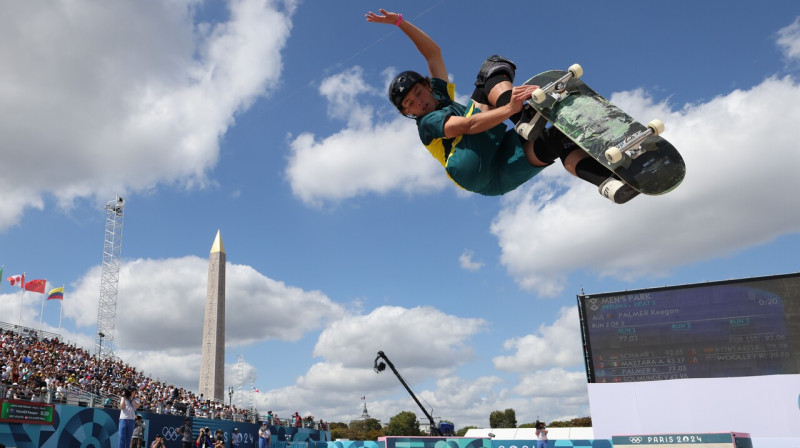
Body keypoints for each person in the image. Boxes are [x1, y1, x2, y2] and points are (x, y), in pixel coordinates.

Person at [365, 9, 639, 204]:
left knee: (556, 140)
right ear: (408, 113)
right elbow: (468, 125)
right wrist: (510, 109)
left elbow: (433, 53)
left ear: (427, 85)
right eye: (411, 104)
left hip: (496, 178)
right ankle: (524, 117)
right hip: (467, 164)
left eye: (418, 93)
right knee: (489, 72)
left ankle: (608, 183)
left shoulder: (438, 94)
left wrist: (401, 22)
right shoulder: (427, 123)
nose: (419, 102)